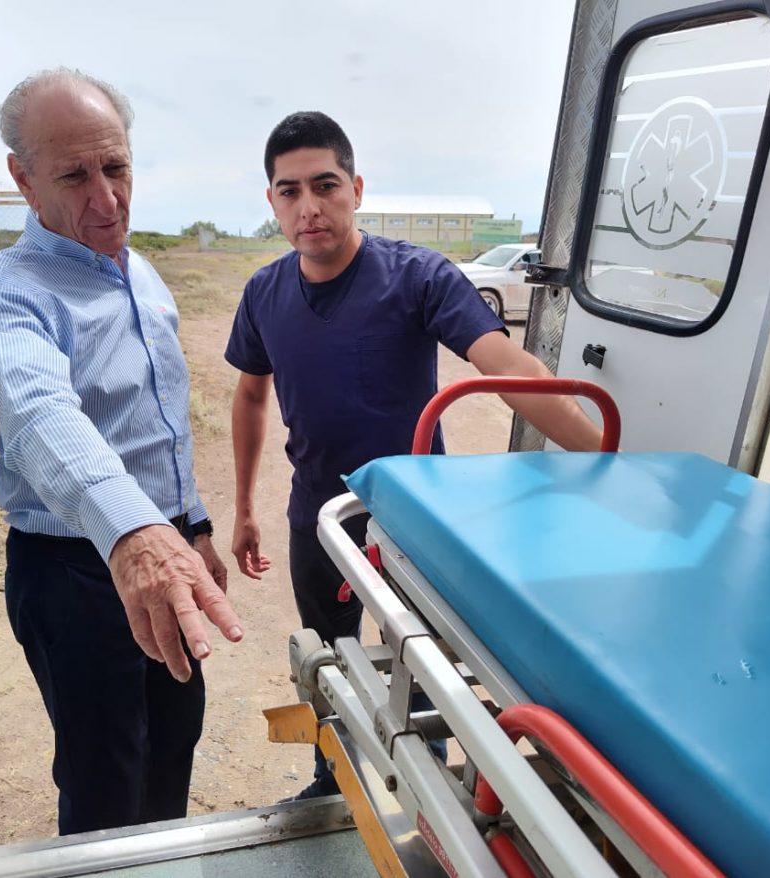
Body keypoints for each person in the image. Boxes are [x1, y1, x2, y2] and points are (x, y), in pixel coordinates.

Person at [225, 111, 604, 798]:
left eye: (325, 185)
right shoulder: (264, 294)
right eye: (289, 191)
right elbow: (250, 398)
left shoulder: (418, 278)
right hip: (320, 514)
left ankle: (431, 788)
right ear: (272, 202)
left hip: (416, 515)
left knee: (422, 657)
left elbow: (509, 369)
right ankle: (333, 780)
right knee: (331, 656)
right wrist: (245, 508)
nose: (308, 207)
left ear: (356, 187)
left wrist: (610, 459)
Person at [0, 68, 243, 835]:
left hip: (164, 543)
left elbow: (159, 416)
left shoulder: (141, 271)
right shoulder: (9, 290)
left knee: (174, 738)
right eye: (75, 175)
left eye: (116, 168)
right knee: (104, 773)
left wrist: (193, 523)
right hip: (79, 573)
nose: (107, 199)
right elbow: (39, 411)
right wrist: (134, 531)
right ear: (22, 178)